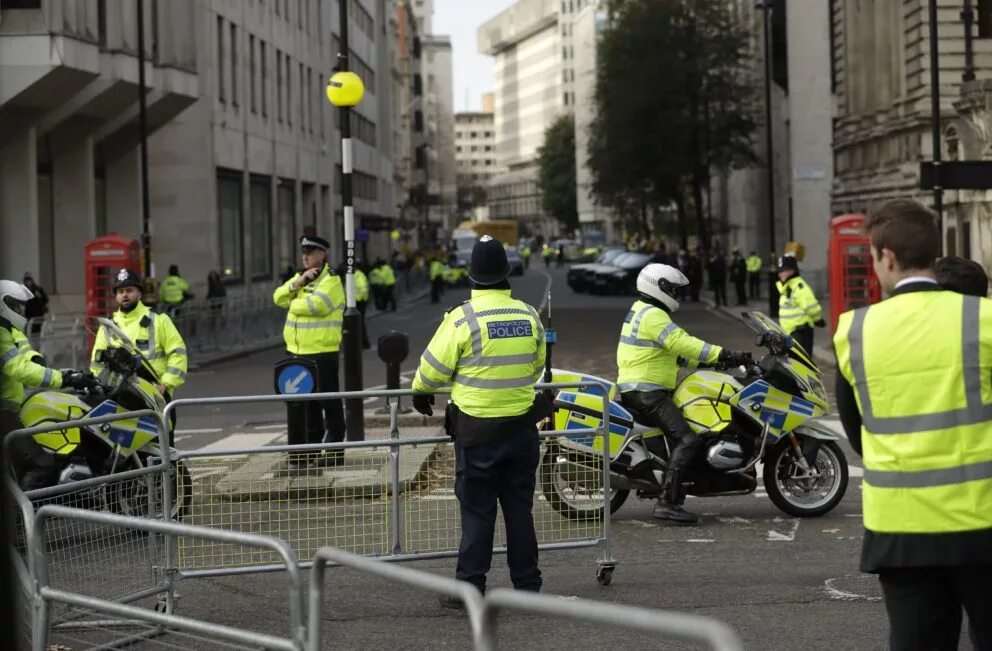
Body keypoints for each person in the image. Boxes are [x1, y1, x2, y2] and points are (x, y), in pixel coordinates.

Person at [833, 199, 992, 650]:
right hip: (984, 521)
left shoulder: (854, 330)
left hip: (902, 532)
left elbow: (856, 430)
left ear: (886, 256)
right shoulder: (983, 320)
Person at [411, 235, 547, 607]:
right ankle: (528, 588)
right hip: (521, 431)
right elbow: (537, 367)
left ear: (472, 276)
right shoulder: (528, 314)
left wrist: (421, 390)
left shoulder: (462, 319)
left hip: (478, 435)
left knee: (477, 512)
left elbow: (431, 370)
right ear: (507, 273)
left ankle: (469, 590)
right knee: (520, 511)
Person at [616, 264, 751, 524]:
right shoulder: (653, 315)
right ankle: (667, 502)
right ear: (660, 287)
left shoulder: (642, 310)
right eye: (674, 290)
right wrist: (723, 353)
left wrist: (716, 363)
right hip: (647, 392)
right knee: (687, 440)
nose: (676, 295)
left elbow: (676, 356)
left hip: (641, 388)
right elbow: (682, 342)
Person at [1, 281, 92, 489]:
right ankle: (23, 520)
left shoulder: (8, 330)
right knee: (41, 465)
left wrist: (43, 365)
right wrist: (63, 379)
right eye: (15, 306)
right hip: (3, 414)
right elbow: (19, 369)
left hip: (11, 410)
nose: (20, 311)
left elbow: (24, 355)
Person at [273, 236, 347, 467]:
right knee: (308, 405)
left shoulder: (331, 281)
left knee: (329, 403)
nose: (305, 256)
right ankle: (312, 450)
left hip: (322, 352)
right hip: (297, 352)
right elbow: (278, 297)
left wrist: (293, 304)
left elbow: (317, 307)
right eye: (304, 252)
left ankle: (335, 451)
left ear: (323, 254)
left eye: (311, 252)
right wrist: (298, 283)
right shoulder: (301, 277)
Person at [90, 269, 188, 401]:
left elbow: (178, 353)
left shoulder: (159, 320)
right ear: (116, 296)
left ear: (139, 294)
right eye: (120, 291)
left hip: (155, 396)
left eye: (129, 290)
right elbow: (97, 362)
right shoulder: (108, 326)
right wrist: (100, 385)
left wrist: (165, 384)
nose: (124, 295)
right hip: (119, 396)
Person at [776, 255, 824, 354]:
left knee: (801, 366)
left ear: (792, 271)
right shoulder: (786, 288)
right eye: (779, 271)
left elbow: (813, 309)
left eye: (783, 270)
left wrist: (818, 319)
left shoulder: (800, 288)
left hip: (801, 333)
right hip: (789, 333)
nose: (780, 274)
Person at [354, 262, 371, 350]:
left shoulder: (358, 275)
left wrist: (359, 299)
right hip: (357, 302)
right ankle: (362, 343)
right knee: (358, 324)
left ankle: (364, 343)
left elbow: (363, 288)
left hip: (358, 303)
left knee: (360, 324)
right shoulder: (355, 275)